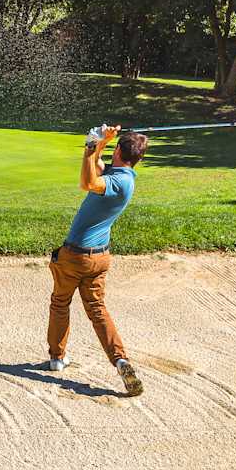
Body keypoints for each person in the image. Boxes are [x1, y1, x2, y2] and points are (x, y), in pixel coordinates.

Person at [45, 125, 146, 396]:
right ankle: (120, 360)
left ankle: (57, 357)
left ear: (119, 153)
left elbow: (87, 182)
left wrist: (92, 146)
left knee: (60, 302)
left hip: (76, 256)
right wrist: (100, 141)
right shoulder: (124, 176)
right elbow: (96, 166)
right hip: (99, 258)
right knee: (97, 311)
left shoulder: (115, 183)